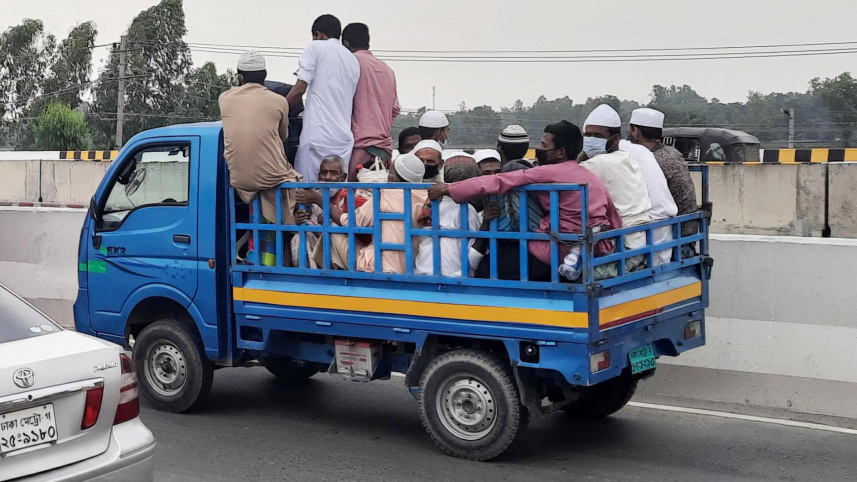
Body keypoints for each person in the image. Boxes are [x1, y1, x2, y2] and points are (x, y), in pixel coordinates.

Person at [429, 121, 622, 282]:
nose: (539, 150)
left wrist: (448, 188)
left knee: (516, 243)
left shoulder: (549, 171)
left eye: (544, 146)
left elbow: (500, 181)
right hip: (597, 241)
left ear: (560, 153)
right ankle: (578, 253)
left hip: (559, 244)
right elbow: (613, 216)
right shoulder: (591, 176)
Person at [219, 50, 301, 266]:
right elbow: (283, 135)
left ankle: (257, 253)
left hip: (239, 180)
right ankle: (288, 249)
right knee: (298, 187)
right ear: (264, 75)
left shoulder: (224, 99)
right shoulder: (279, 101)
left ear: (239, 76)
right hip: (272, 179)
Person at [286, 14, 360, 182]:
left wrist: (277, 110)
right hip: (342, 138)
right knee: (332, 195)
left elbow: (299, 89)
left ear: (318, 34)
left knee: (305, 193)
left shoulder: (316, 47)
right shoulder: (352, 59)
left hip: (318, 134)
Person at [580, 105, 653, 272]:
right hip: (638, 241)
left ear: (614, 139)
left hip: (624, 248)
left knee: (575, 277)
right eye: (588, 135)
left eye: (598, 136)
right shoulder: (625, 157)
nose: (591, 140)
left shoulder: (601, 163)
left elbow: (566, 175)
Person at [330, 153, 428, 273]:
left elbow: (351, 222)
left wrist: (320, 200)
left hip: (379, 267)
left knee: (332, 228)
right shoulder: (427, 197)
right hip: (413, 267)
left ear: (392, 177)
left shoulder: (384, 195)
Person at [415, 156, 492, 277]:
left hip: (421, 273)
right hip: (454, 278)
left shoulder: (432, 204)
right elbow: (472, 260)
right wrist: (486, 224)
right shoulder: (466, 211)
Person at [342, 23, 400, 181]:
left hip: (358, 145)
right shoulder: (387, 70)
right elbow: (394, 110)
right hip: (383, 148)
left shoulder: (349, 63)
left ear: (346, 43)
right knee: (375, 200)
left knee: (352, 200)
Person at [629, 108, 698, 239]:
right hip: (688, 227)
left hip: (671, 231)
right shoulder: (672, 152)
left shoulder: (649, 158)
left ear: (635, 131)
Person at [618, 137, 677, 267]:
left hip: (655, 231)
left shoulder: (625, 154)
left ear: (634, 131)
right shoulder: (668, 154)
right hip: (671, 228)